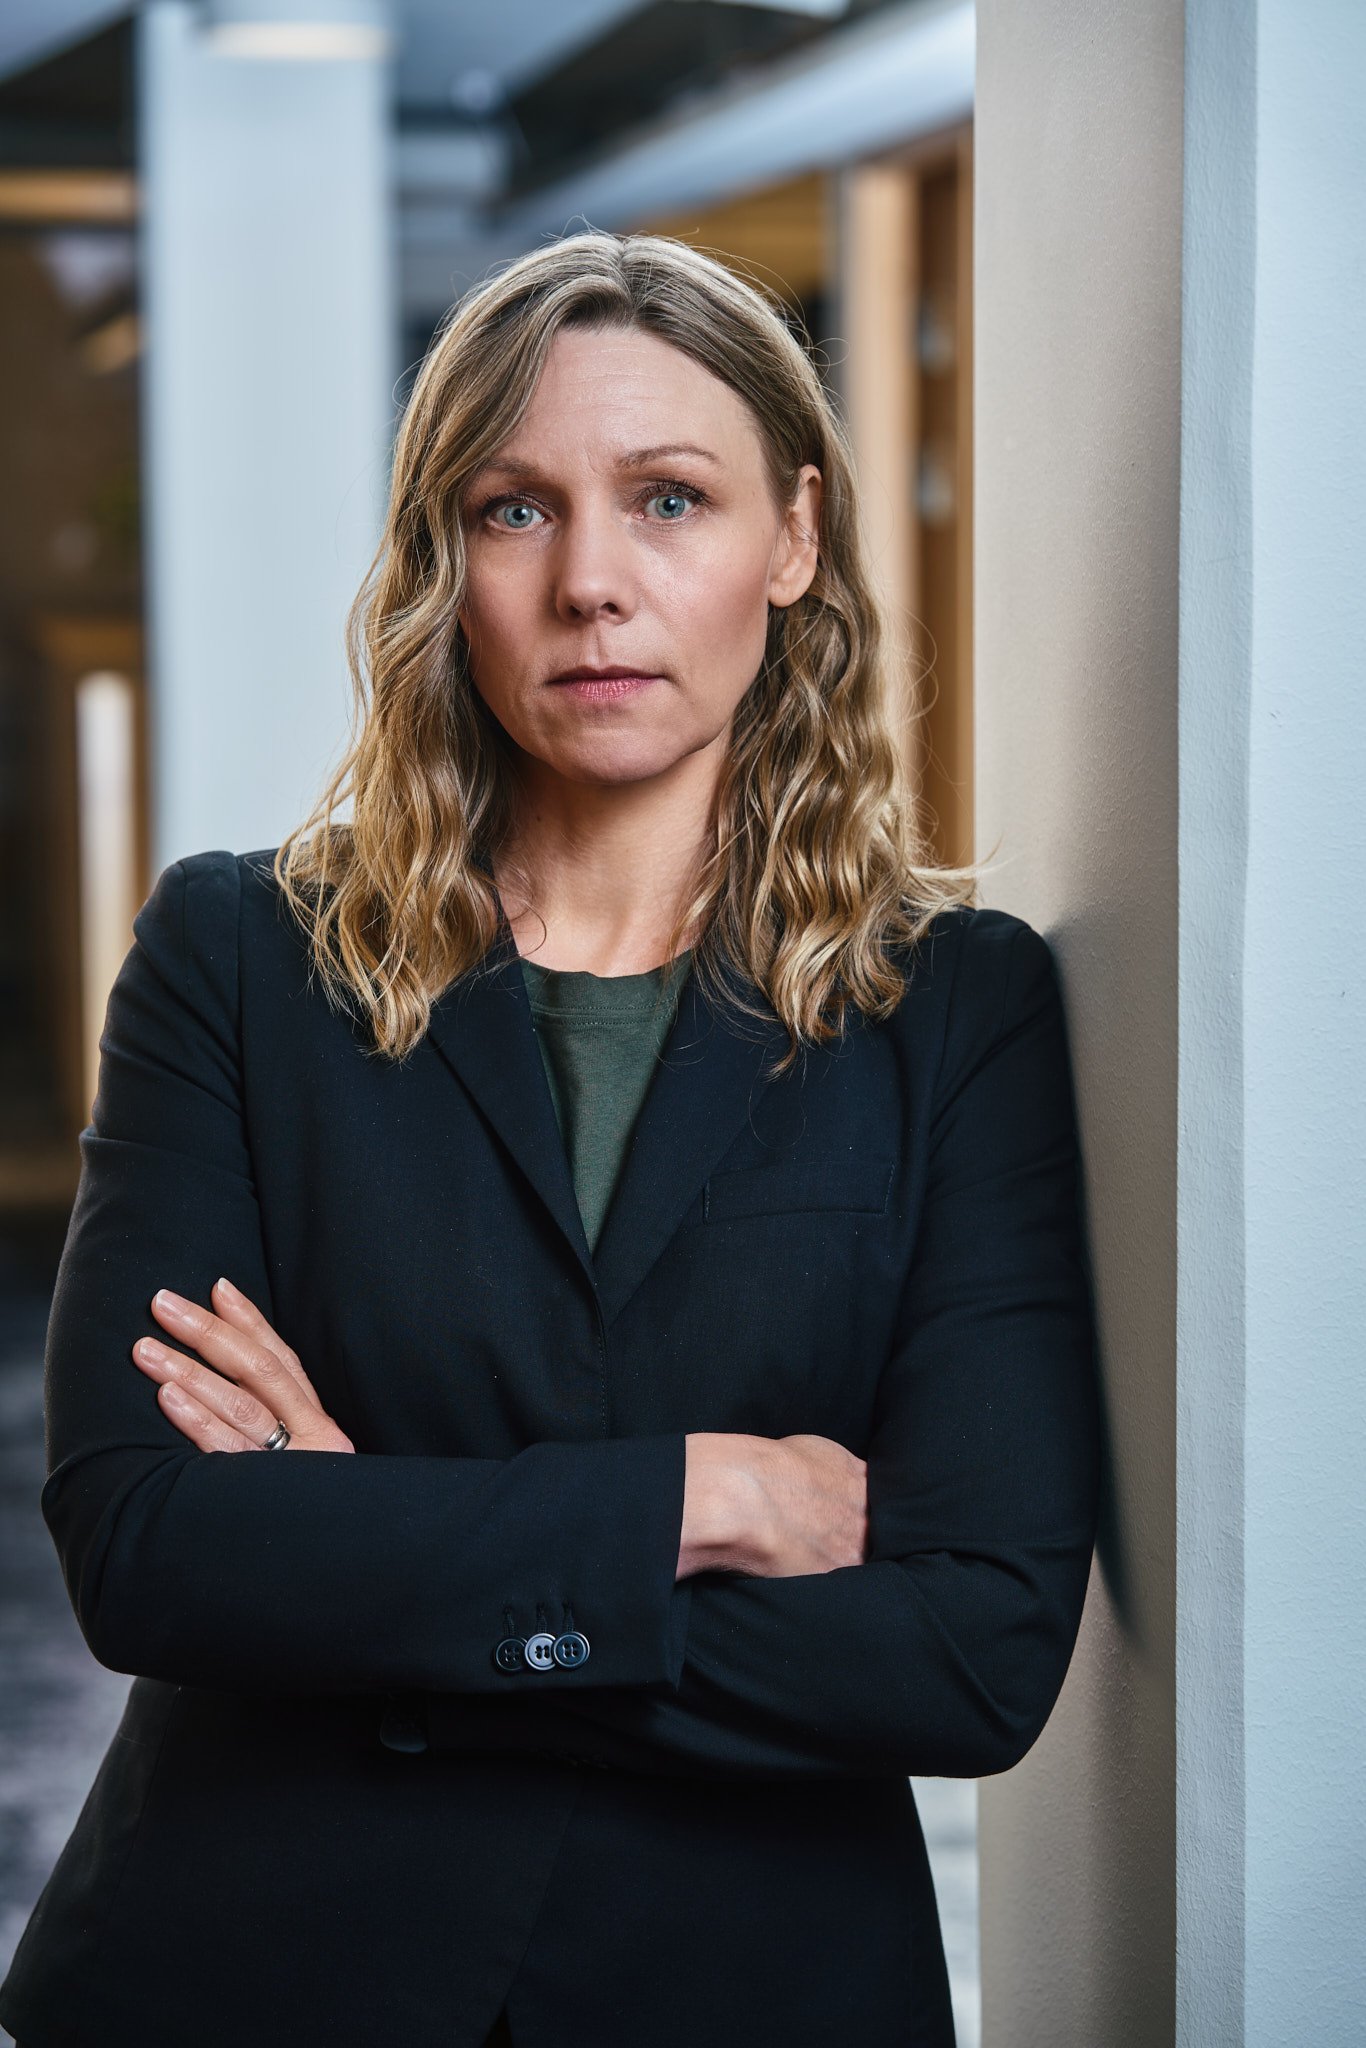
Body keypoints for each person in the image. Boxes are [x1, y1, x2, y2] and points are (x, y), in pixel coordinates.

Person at [0, 229, 1101, 2048]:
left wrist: (361, 1560)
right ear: (447, 560)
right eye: (514, 510)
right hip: (254, 1977)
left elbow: (967, 1651)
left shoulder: (953, 1012)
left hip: (742, 1991)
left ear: (794, 538)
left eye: (669, 499)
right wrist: (700, 1500)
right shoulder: (239, 959)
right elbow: (148, 1545)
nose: (591, 581)